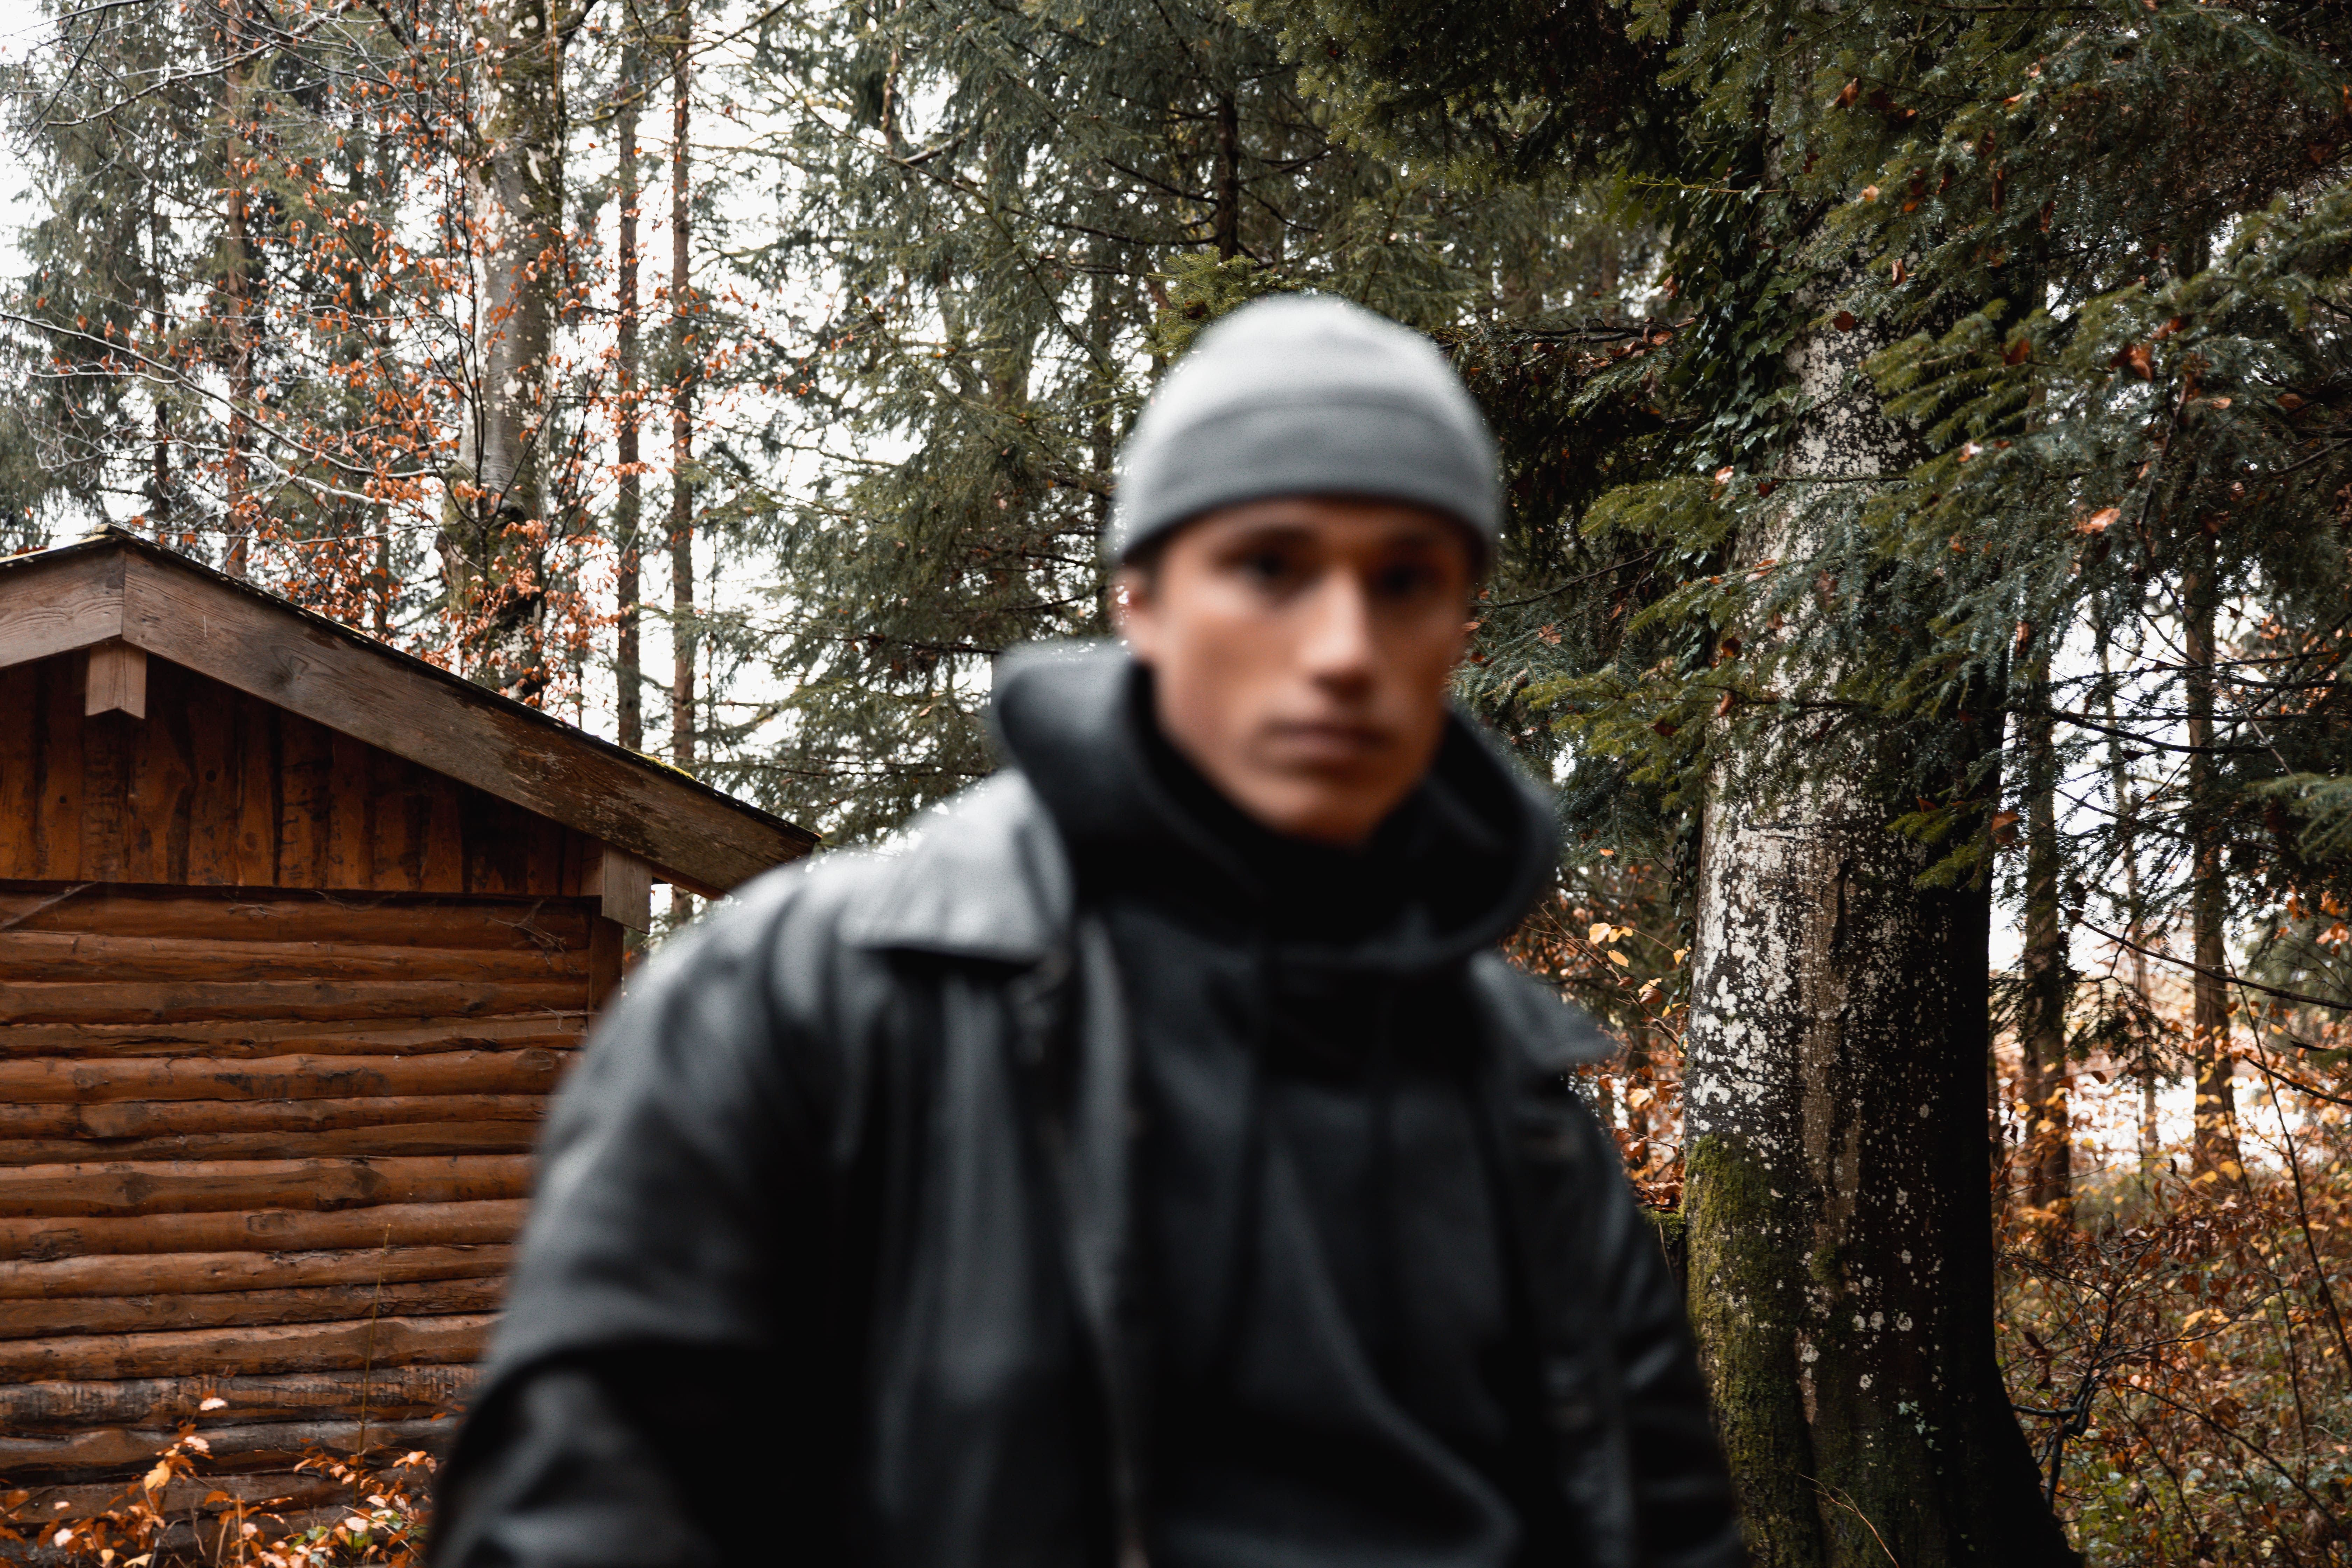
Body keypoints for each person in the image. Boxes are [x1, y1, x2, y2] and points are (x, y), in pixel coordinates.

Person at [430, 296, 1743, 1568]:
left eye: (1406, 581)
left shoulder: (1526, 1120)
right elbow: (577, 1517)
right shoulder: (800, 1007)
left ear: (1459, 632)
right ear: (1142, 599)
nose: (1344, 648)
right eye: (1270, 567)